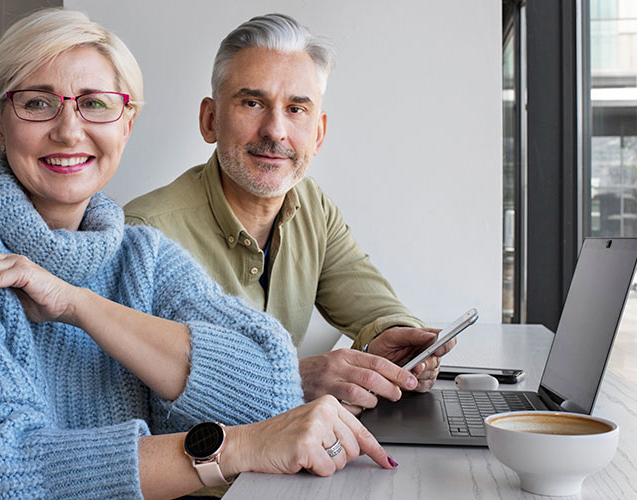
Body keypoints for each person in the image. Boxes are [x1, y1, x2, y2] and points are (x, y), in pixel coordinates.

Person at [0, 9, 396, 500]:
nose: (68, 129)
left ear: (127, 125)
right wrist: (231, 450)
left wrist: (77, 304)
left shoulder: (138, 253)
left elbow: (269, 381)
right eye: (37, 103)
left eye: (97, 105)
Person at [125, 13, 454, 415]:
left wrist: (396, 343)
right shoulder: (142, 236)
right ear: (210, 120)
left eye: (297, 109)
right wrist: (292, 378)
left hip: (287, 463)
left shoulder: (311, 204)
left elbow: (375, 307)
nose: (275, 130)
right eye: (252, 102)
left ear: (318, 134)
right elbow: (133, 409)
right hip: (200, 474)